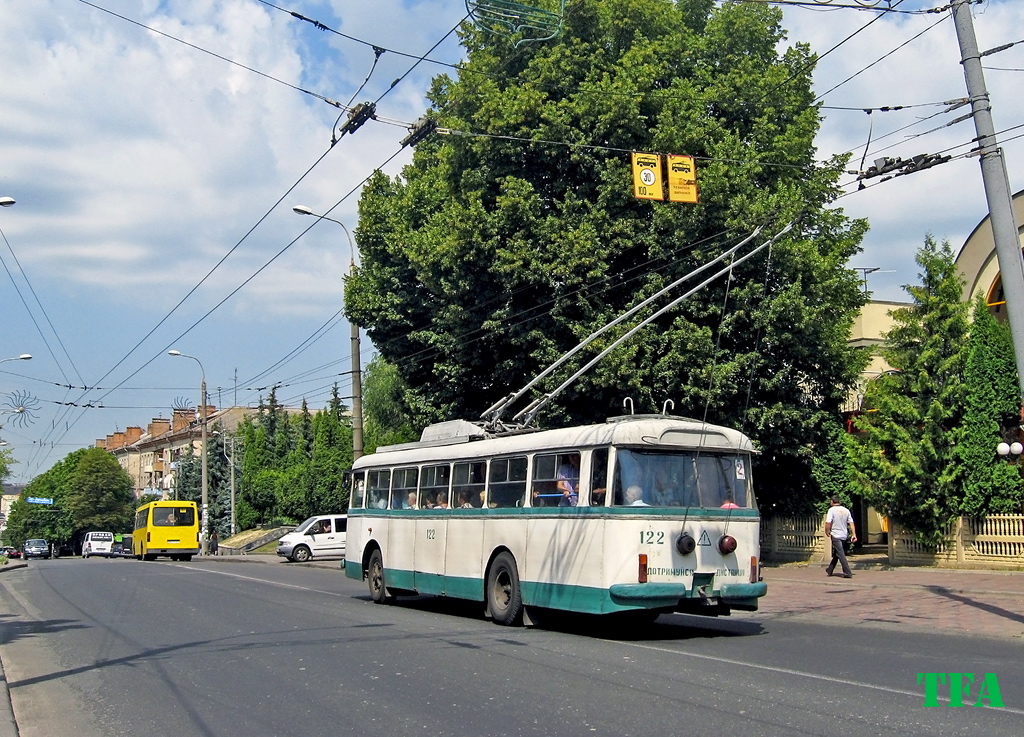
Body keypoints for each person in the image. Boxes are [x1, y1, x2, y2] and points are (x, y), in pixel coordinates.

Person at [824, 495, 857, 578]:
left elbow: (828, 522)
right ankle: (830, 569)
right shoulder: (846, 510)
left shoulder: (831, 510)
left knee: (840, 553)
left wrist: (827, 531)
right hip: (844, 535)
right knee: (837, 553)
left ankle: (847, 572)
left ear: (832, 502)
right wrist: (854, 534)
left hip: (835, 535)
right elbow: (851, 523)